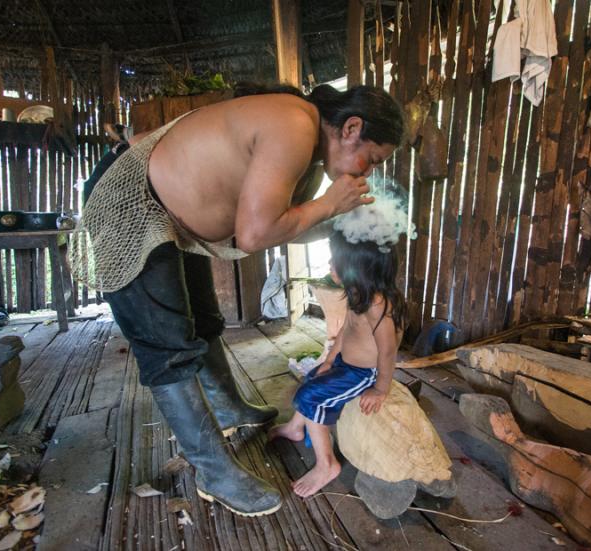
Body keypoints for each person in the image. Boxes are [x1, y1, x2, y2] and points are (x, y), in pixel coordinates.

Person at [72, 84, 404, 517]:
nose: (367, 172)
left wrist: (337, 218)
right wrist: (326, 206)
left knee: (203, 317)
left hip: (168, 211)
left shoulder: (307, 151)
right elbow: (253, 235)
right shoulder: (294, 125)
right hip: (129, 198)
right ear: (351, 127)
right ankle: (213, 471)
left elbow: (283, 225)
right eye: (372, 159)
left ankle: (228, 409)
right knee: (168, 344)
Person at [269, 229, 406, 497]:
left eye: (336, 262)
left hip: (364, 374)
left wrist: (380, 388)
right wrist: (330, 358)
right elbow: (346, 329)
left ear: (360, 268)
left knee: (313, 397)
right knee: (312, 379)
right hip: (345, 363)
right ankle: (296, 428)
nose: (330, 266)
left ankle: (326, 464)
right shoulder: (358, 292)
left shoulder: (378, 304)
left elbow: (388, 351)